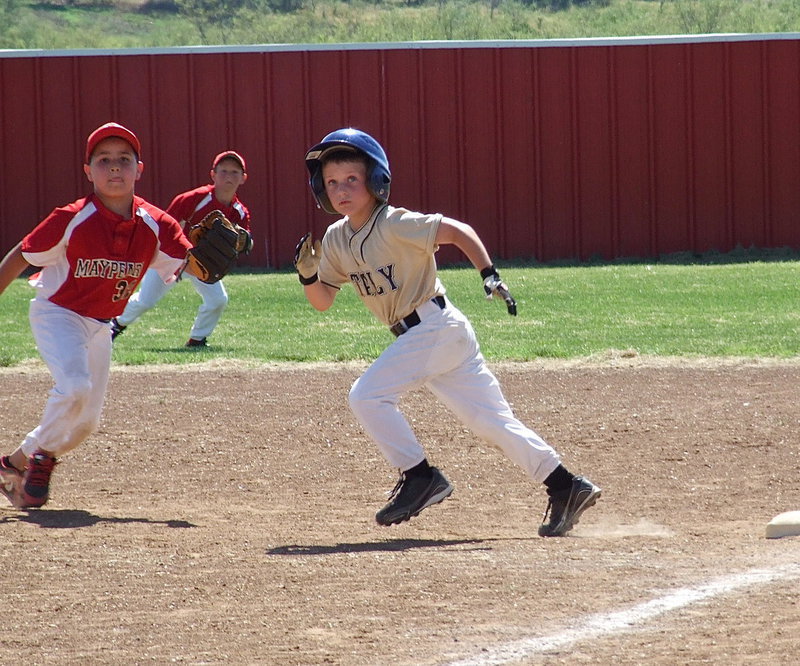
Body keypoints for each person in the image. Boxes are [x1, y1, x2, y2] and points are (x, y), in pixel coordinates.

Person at [295, 128, 601, 536]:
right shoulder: (336, 240)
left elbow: (457, 231)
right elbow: (322, 300)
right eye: (331, 182)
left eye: (351, 178)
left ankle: (420, 477)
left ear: (374, 180)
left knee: (367, 396)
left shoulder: (394, 223)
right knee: (490, 422)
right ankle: (566, 486)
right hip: (430, 336)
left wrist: (488, 274)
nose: (341, 189)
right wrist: (307, 274)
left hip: (435, 327)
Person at [0, 122, 201, 509]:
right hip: (58, 312)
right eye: (103, 160)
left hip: (99, 325)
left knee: (86, 422)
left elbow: (194, 267)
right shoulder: (71, 217)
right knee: (75, 387)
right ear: (87, 170)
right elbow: (21, 256)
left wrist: (210, 261)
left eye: (123, 160)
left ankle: (14, 464)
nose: (114, 168)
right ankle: (43, 458)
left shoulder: (158, 225)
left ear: (139, 169)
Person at [110, 150, 252, 347]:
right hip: (171, 257)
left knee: (218, 300)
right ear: (213, 175)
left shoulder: (239, 212)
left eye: (235, 172)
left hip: (202, 263)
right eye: (224, 171)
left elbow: (243, 241)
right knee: (145, 301)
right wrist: (174, 255)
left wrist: (244, 241)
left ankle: (197, 340)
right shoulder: (193, 199)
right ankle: (114, 326)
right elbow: (165, 227)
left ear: (243, 178)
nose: (229, 176)